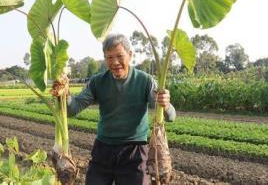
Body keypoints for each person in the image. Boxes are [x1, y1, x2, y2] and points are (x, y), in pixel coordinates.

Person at [52, 33, 176, 185]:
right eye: (109, 57)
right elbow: (73, 109)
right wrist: (64, 94)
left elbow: (170, 116)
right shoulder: (98, 82)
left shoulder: (145, 81)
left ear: (130, 55)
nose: (115, 62)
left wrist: (166, 104)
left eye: (119, 56)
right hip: (104, 149)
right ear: (105, 59)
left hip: (135, 151)